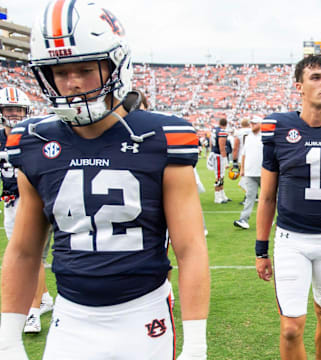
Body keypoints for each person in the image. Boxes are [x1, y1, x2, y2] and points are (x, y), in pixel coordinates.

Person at [0, 1, 210, 360]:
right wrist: (7, 339)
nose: (72, 83)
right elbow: (23, 250)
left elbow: (190, 249)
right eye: (59, 71)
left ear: (117, 64)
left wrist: (196, 344)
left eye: (85, 68)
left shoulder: (162, 137)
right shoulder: (35, 141)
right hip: (71, 315)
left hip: (142, 313)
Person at [256, 54, 321, 360]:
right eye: (316, 77)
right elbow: (267, 196)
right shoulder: (277, 127)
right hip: (291, 240)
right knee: (290, 327)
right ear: (299, 86)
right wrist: (261, 249)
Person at [0, 86, 54, 334]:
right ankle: (44, 299)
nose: (13, 114)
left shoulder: (35, 136)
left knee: (32, 257)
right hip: (11, 201)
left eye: (17, 109)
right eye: (8, 109)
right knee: (26, 255)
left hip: (34, 200)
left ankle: (32, 312)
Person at [233, 116, 262, 229]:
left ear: (260, 124)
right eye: (251, 123)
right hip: (250, 172)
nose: (252, 125)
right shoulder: (248, 137)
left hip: (263, 173)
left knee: (268, 198)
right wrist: (242, 169)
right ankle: (243, 219)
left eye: (255, 123)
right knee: (249, 197)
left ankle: (269, 219)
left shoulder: (265, 137)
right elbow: (244, 154)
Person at [210, 117, 231, 203]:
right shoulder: (222, 132)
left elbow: (211, 143)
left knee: (221, 176)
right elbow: (222, 147)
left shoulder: (215, 130)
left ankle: (222, 195)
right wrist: (225, 159)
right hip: (219, 155)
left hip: (215, 154)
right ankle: (217, 197)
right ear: (226, 124)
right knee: (219, 176)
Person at [232, 118, 251, 204]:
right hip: (253, 157)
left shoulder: (239, 132)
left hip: (242, 157)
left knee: (244, 179)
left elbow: (236, 147)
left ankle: (249, 196)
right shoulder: (253, 131)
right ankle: (254, 195)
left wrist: (234, 160)